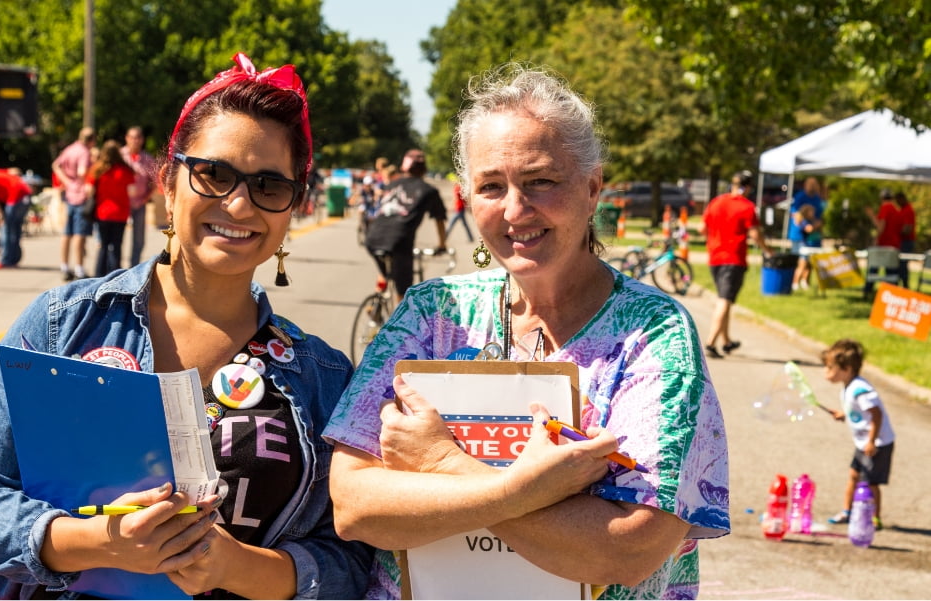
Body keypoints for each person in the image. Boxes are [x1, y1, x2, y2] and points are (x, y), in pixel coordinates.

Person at [0, 52, 373, 599]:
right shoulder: (63, 323)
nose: (238, 204)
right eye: (213, 175)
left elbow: (356, 563)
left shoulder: (323, 375)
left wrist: (235, 567)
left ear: (292, 208)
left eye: (269, 186)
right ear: (168, 183)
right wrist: (93, 541)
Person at [325, 63, 730, 599]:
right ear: (468, 198)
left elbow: (627, 549)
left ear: (592, 187)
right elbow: (354, 505)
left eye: (541, 181)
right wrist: (528, 492)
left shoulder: (652, 332)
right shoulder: (431, 314)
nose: (516, 209)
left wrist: (444, 464)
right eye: (492, 186)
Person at [817, 339, 895, 531]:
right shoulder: (849, 386)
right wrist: (844, 414)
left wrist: (872, 441)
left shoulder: (861, 389)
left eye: (829, 368)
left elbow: (876, 414)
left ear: (847, 369)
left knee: (870, 482)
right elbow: (860, 411)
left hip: (877, 443)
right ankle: (848, 511)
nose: (826, 372)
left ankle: (875, 518)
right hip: (863, 443)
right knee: (854, 475)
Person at [701, 171, 773, 359]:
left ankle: (726, 341)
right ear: (748, 187)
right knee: (724, 300)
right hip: (733, 259)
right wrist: (767, 250)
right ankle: (710, 342)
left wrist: (713, 242)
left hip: (714, 258)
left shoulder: (716, 202)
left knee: (725, 298)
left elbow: (702, 228)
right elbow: (755, 234)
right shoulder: (747, 207)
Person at [362, 148, 448, 300]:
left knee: (385, 272)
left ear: (403, 167)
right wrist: (442, 245)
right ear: (424, 169)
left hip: (372, 237)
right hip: (399, 241)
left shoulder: (391, 184)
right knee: (404, 293)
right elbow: (439, 219)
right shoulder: (429, 190)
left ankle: (376, 308)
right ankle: (401, 319)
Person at [87, 139, 136, 277]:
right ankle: (115, 274)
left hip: (102, 213)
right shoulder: (125, 171)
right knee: (117, 245)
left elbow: (89, 190)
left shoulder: (97, 169)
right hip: (120, 213)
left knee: (103, 245)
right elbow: (132, 191)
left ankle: (99, 274)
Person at [52, 127, 96, 280]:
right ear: (92, 140)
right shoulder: (84, 152)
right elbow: (82, 172)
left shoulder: (70, 149)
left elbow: (55, 165)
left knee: (67, 232)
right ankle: (79, 268)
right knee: (79, 234)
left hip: (69, 193)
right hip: (80, 194)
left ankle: (64, 266)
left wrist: (65, 181)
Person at [120, 125, 157, 266]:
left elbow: (154, 181)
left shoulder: (147, 159)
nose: (135, 141)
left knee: (139, 238)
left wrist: (145, 199)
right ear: (127, 138)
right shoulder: (119, 156)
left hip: (139, 204)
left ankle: (133, 266)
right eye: (132, 137)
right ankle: (115, 267)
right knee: (118, 237)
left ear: (142, 140)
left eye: (138, 138)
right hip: (121, 204)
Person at [788, 177, 825, 290]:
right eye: (810, 184)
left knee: (810, 261)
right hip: (800, 236)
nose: (813, 187)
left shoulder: (817, 199)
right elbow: (795, 214)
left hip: (813, 236)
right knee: (802, 261)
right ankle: (795, 282)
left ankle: (805, 282)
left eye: (815, 184)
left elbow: (819, 216)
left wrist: (817, 225)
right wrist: (805, 224)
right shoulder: (800, 197)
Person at [792, 202, 823, 290]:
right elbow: (809, 229)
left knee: (809, 266)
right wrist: (817, 225)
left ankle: (805, 282)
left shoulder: (813, 220)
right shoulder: (803, 221)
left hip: (814, 245)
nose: (813, 214)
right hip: (805, 246)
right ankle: (795, 283)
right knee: (802, 265)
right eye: (811, 212)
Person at [895, 191, 916, 287]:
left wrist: (896, 233)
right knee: (900, 265)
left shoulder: (908, 210)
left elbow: (908, 228)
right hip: (902, 241)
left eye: (898, 200)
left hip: (906, 241)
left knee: (903, 265)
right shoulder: (903, 209)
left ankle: (905, 287)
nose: (897, 202)